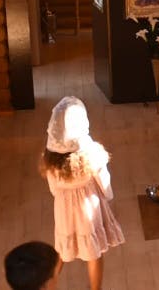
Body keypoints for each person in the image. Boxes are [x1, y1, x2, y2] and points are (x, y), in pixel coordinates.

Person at [40, 96, 125, 290]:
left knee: (63, 247)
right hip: (89, 213)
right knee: (93, 253)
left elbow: (54, 189)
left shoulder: (51, 161)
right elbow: (104, 183)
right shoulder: (92, 154)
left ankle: (48, 282)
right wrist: (108, 196)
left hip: (63, 211)